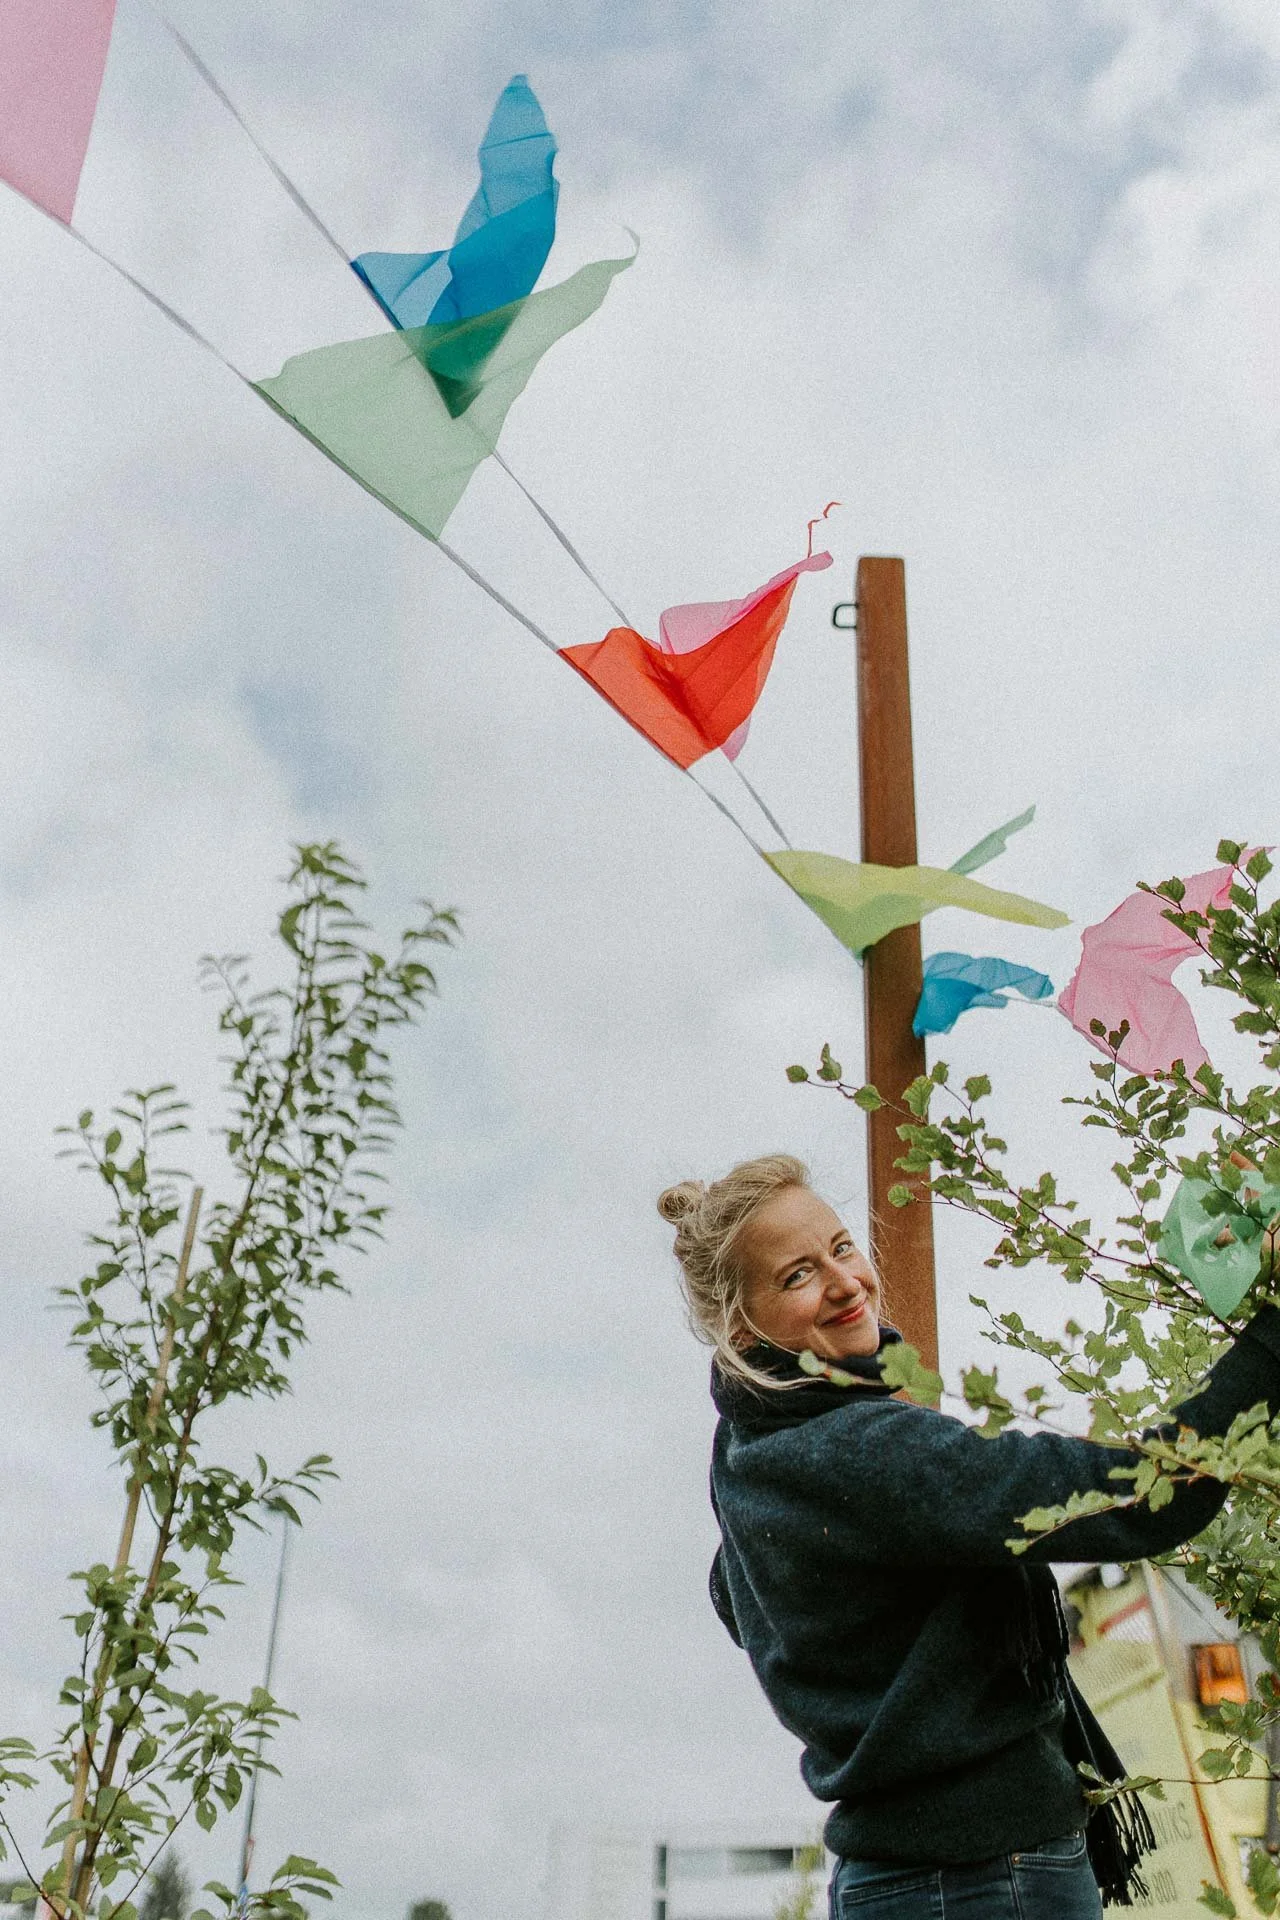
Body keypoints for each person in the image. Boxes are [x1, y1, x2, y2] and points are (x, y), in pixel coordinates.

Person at [658, 1154, 1280, 1919]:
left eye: (843, 1247)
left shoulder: (751, 1455)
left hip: (904, 1875)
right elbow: (1142, 1497)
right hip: (983, 1876)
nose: (845, 1281)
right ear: (739, 1326)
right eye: (797, 1276)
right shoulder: (859, 1451)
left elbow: (732, 1594)